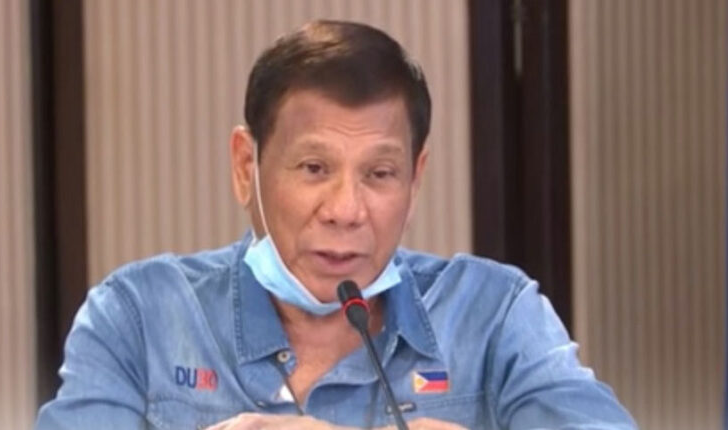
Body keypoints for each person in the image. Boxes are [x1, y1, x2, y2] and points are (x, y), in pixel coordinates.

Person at [35, 20, 637, 430]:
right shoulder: (139, 316)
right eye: (314, 168)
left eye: (380, 174)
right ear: (246, 167)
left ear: (416, 178)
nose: (346, 209)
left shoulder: (495, 313)